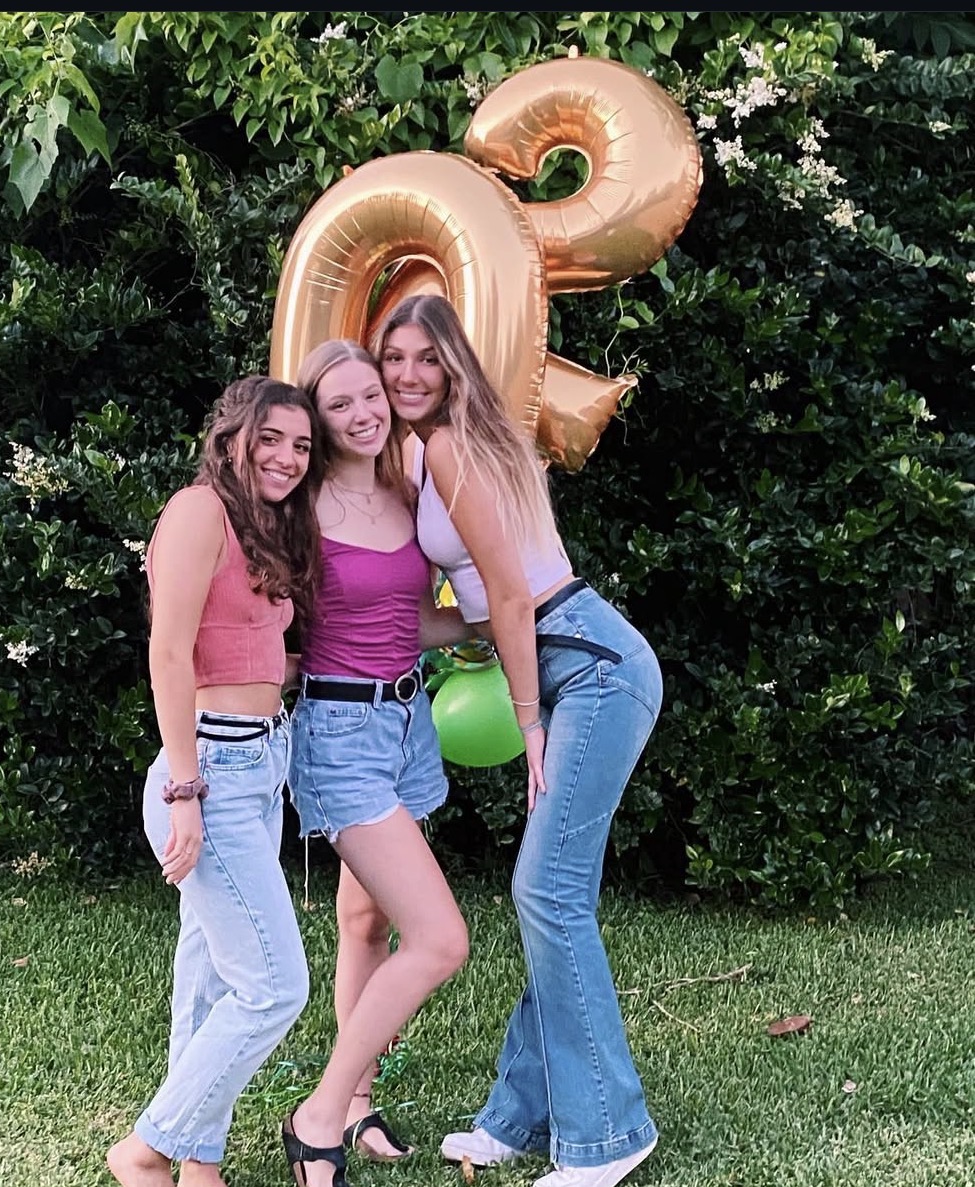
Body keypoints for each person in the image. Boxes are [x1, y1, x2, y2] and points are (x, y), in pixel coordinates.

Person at [371, 294, 665, 1187]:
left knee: (547, 889)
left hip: (592, 666)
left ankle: (609, 1134)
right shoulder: (436, 449)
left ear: (452, 365)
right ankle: (517, 1116)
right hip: (573, 658)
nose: (408, 374)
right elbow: (462, 614)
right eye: (394, 358)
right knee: (552, 894)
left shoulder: (453, 447)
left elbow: (508, 595)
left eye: (426, 358)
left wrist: (527, 722)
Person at [106, 376, 323, 1187]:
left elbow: (251, 654)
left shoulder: (260, 527)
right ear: (232, 436)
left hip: (260, 761)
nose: (287, 457)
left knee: (207, 976)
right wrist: (185, 791)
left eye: (301, 445)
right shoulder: (199, 510)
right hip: (210, 767)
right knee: (274, 987)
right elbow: (168, 653)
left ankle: (200, 1160)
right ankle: (146, 1148)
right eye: (271, 438)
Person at [280, 338, 470, 1187]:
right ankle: (317, 1117)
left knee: (367, 922)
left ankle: (357, 1102)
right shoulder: (298, 507)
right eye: (340, 404)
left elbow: (409, 621)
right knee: (440, 938)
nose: (363, 413)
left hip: (408, 723)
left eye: (371, 396)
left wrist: (487, 621)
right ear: (316, 420)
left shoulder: (406, 490)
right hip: (339, 732)